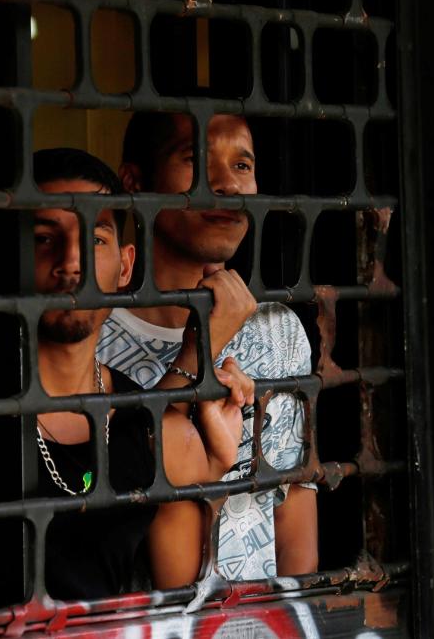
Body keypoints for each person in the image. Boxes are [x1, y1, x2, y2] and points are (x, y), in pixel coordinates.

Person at [96, 113, 319, 580]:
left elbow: (293, 511)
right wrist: (204, 344)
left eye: (242, 166)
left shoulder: (278, 330)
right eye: (196, 160)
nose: (226, 185)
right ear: (135, 182)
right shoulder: (93, 336)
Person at [30, 147, 254, 599]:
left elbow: (184, 609)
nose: (72, 261)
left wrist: (211, 472)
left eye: (95, 240)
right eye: (42, 238)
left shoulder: (154, 428)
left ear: (125, 266)